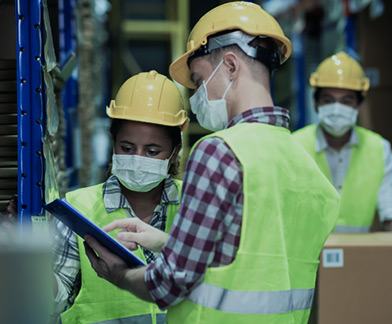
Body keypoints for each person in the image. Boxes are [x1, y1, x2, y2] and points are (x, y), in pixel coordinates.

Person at [82, 2, 340, 324]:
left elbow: (169, 284)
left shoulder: (219, 151)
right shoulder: (307, 164)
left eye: (198, 80)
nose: (195, 97)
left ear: (230, 66)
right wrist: (168, 242)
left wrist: (118, 272)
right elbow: (253, 259)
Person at [52, 70, 189, 324]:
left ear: (174, 151)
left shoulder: (196, 204)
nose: (137, 159)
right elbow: (52, 302)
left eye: (152, 151)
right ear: (113, 144)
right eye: (127, 148)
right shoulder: (77, 210)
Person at [293, 51, 392, 233]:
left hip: (358, 257)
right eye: (328, 100)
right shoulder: (294, 146)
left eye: (346, 101)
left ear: (359, 106)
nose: (337, 109)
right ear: (316, 104)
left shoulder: (379, 149)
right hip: (306, 259)